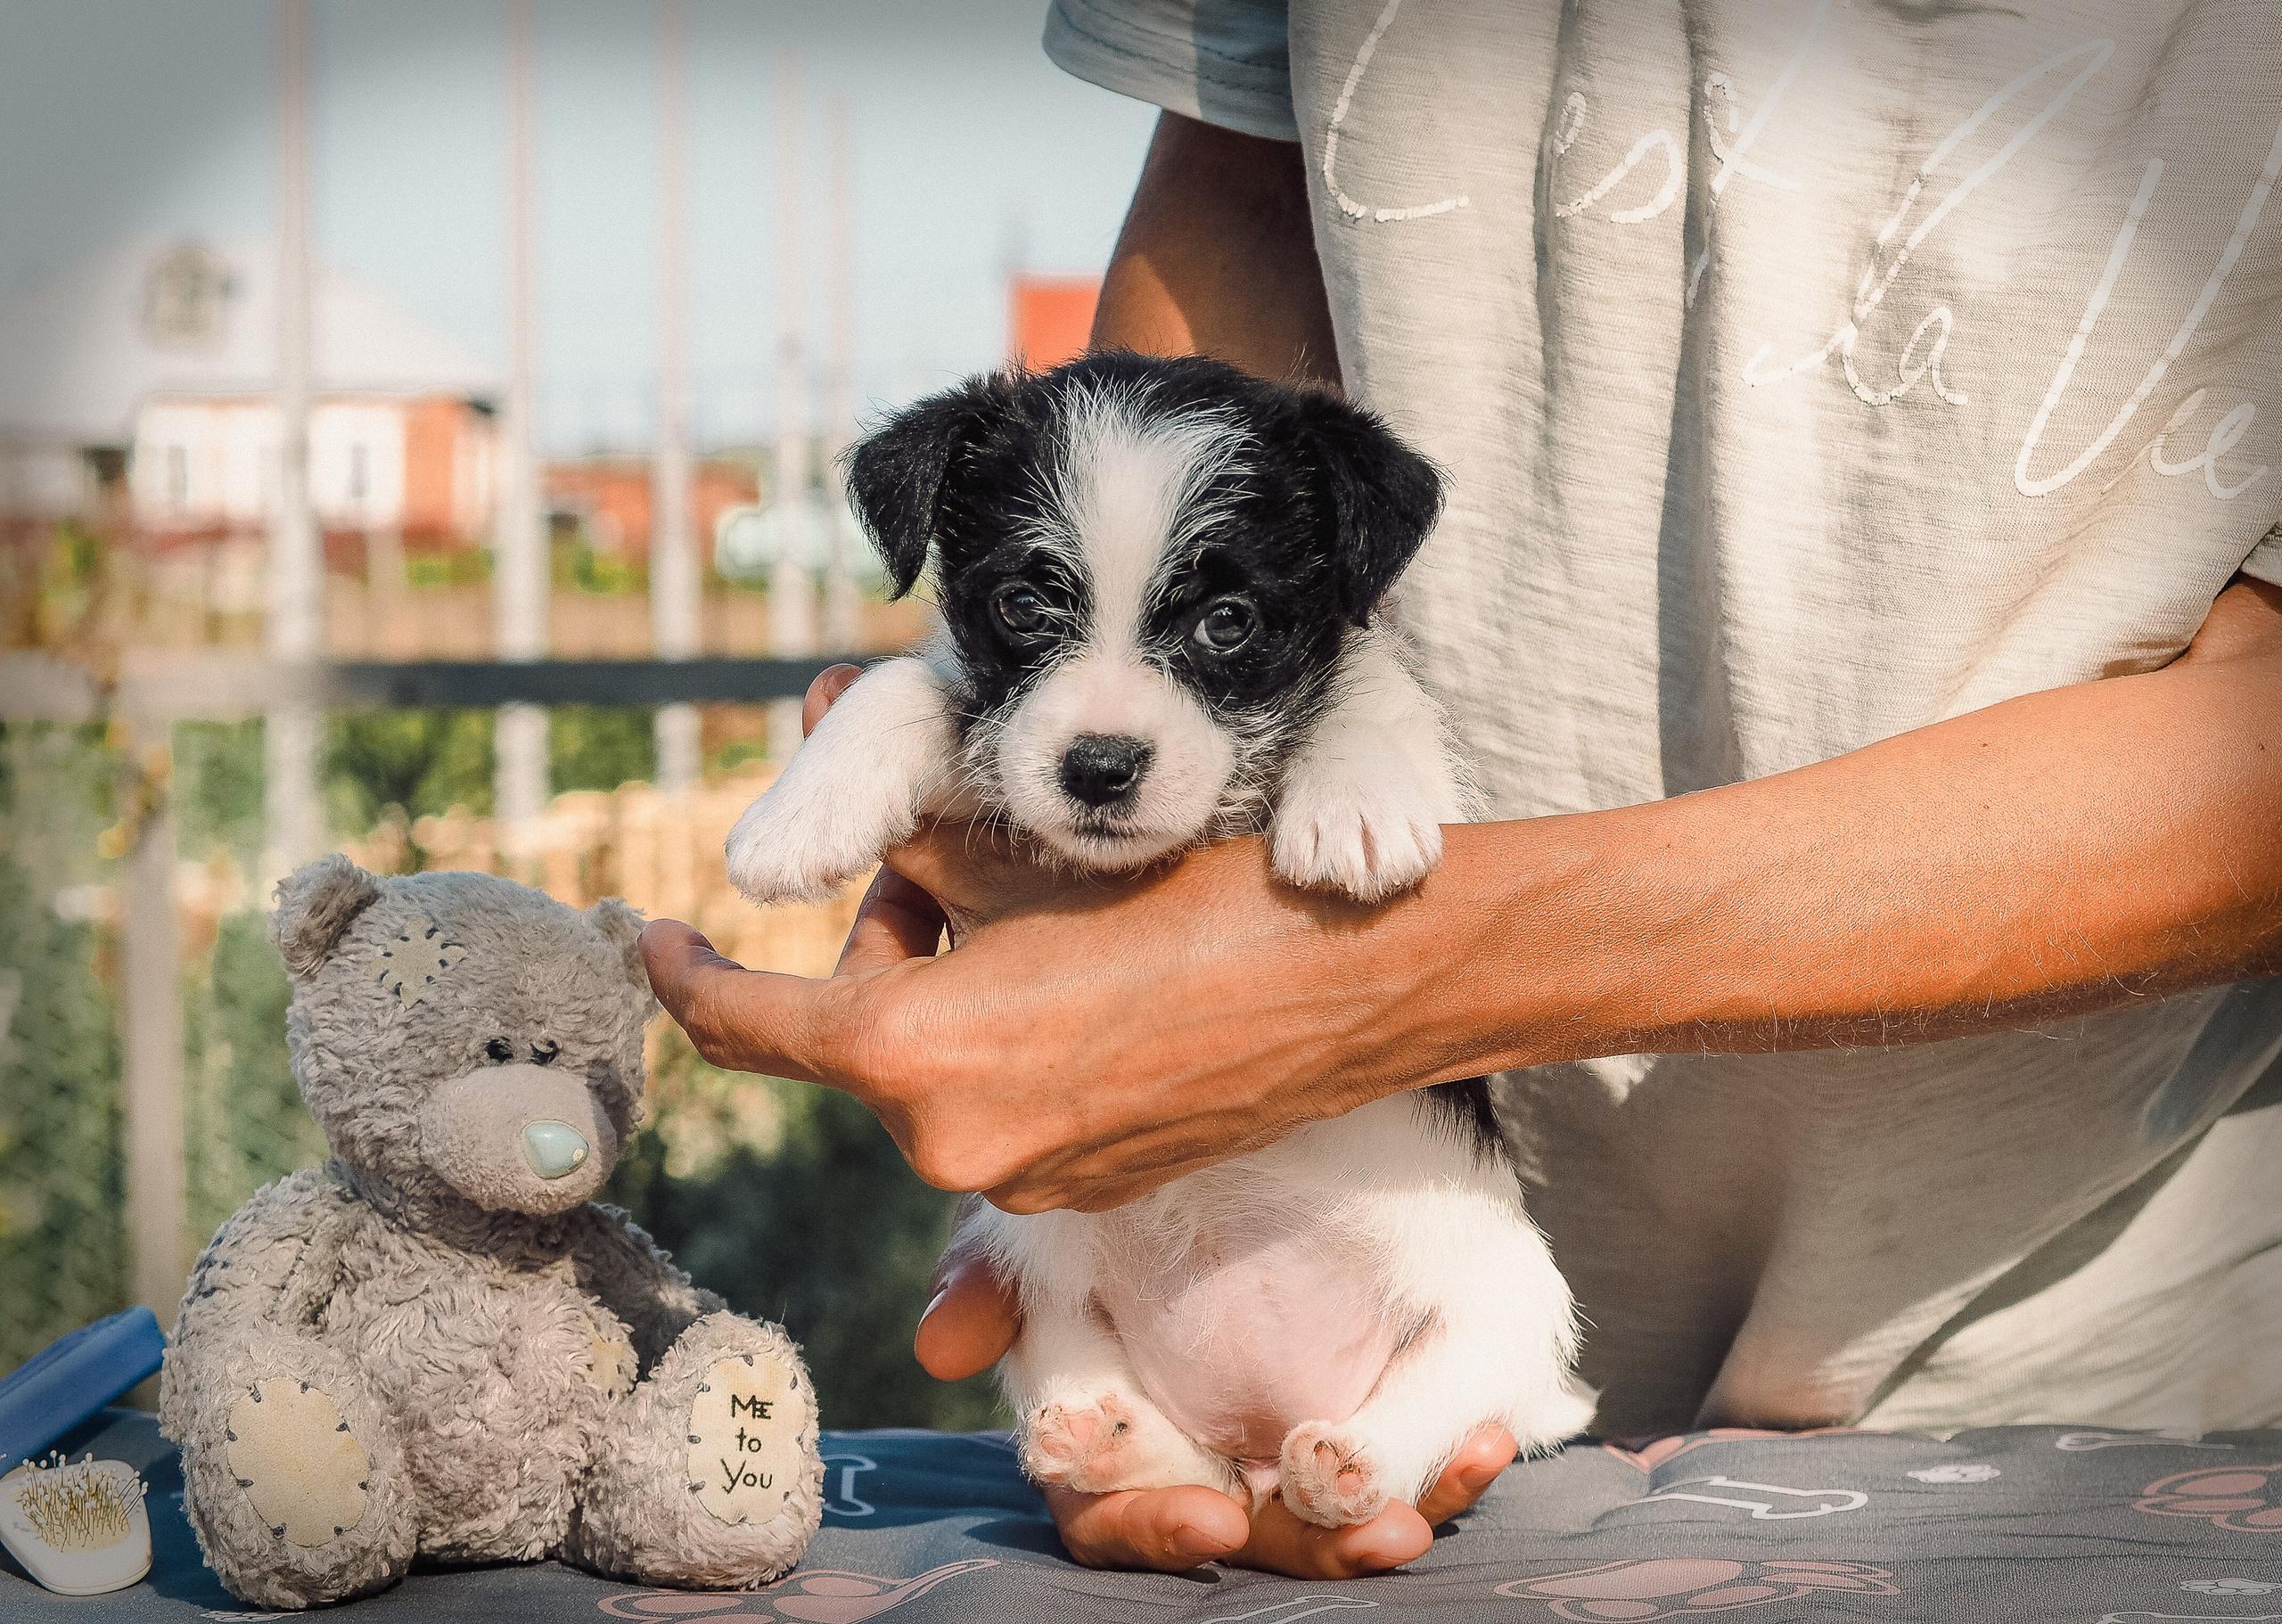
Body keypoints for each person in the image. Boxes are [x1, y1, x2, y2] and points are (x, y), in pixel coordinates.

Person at [642, 0, 2282, 1581]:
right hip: (1303, 1301)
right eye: (1029, 615)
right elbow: (1232, 190)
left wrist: (1395, 974)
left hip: (2075, 1356)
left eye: (1220, 625)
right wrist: (1083, 1034)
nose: (1108, 713)